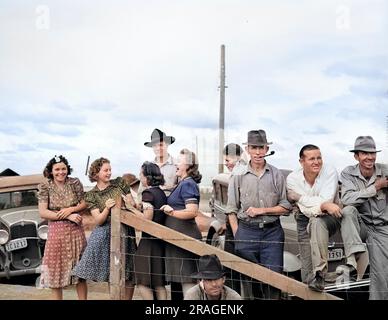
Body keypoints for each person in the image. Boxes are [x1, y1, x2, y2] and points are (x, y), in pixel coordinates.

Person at [286, 144, 367, 291]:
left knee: (348, 211)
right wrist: (322, 205)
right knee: (307, 267)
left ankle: (351, 267)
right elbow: (308, 210)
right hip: (306, 219)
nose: (317, 162)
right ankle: (317, 276)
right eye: (311, 159)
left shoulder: (329, 171)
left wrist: (299, 197)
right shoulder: (292, 178)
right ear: (301, 162)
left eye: (319, 157)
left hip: (334, 215)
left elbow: (327, 199)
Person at [226, 130, 292, 300]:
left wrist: (262, 210)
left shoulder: (276, 174)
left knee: (274, 280)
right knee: (252, 279)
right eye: (254, 148)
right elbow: (231, 209)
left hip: (272, 233)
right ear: (247, 149)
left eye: (261, 148)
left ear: (266, 148)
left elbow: (286, 207)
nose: (258, 152)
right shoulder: (238, 175)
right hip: (247, 232)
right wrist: (237, 234)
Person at [72, 157, 137, 299]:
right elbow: (99, 220)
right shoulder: (91, 195)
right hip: (104, 233)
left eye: (110, 170)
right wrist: (107, 208)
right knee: (106, 271)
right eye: (105, 170)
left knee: (129, 272)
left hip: (125, 230)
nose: (109, 173)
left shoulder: (120, 183)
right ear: (96, 174)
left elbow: (132, 203)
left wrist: (130, 201)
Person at [340, 136, 388, 300]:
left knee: (382, 274)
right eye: (364, 153)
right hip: (361, 226)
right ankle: (355, 257)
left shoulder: (385, 171)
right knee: (348, 211)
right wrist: (377, 187)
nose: (369, 157)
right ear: (356, 156)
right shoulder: (348, 173)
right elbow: (346, 200)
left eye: (372, 153)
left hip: (382, 227)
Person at [38, 155, 87, 300]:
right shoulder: (45, 186)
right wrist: (67, 215)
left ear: (67, 169)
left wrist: (71, 209)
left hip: (76, 232)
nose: (61, 172)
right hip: (56, 234)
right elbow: (43, 212)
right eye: (57, 169)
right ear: (51, 171)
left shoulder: (75, 182)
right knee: (55, 274)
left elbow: (84, 204)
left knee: (80, 273)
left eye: (63, 168)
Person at [161, 148, 202, 300]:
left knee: (187, 284)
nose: (176, 164)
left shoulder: (188, 184)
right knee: (179, 284)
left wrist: (171, 212)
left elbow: (192, 211)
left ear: (189, 166)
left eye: (179, 161)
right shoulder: (182, 183)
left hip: (185, 240)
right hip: (177, 241)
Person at [133, 162, 167, 300]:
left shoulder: (147, 193)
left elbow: (147, 218)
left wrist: (132, 210)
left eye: (141, 174)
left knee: (142, 281)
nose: (140, 177)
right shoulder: (160, 192)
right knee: (158, 283)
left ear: (147, 176)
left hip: (148, 242)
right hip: (160, 242)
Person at [222, 143, 246, 294]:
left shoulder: (239, 172)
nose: (226, 163)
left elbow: (234, 207)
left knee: (231, 268)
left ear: (237, 157)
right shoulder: (240, 170)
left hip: (237, 226)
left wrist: (237, 234)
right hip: (235, 224)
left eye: (228, 159)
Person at [144, 128, 178, 193]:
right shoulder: (147, 167)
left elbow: (182, 188)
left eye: (161, 145)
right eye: (155, 146)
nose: (158, 148)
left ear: (167, 144)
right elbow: (142, 190)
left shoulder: (177, 165)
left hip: (171, 202)